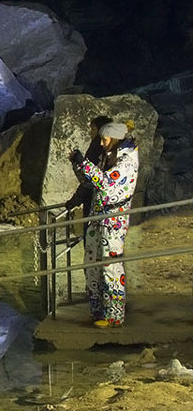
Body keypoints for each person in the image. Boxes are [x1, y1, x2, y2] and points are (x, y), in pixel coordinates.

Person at [68, 120, 139, 327]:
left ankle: (114, 316)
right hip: (97, 217)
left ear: (115, 139)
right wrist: (77, 164)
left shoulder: (127, 161)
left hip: (113, 221)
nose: (100, 143)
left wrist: (84, 163)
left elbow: (106, 183)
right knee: (91, 264)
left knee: (111, 265)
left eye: (104, 139)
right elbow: (90, 182)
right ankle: (97, 310)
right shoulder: (108, 156)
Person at [64, 114, 114, 215]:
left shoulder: (98, 149)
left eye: (93, 129)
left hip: (96, 200)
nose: (90, 132)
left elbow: (90, 181)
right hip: (98, 200)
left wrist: (75, 200)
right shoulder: (102, 150)